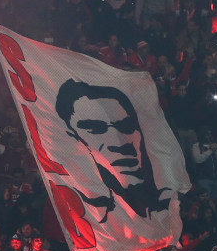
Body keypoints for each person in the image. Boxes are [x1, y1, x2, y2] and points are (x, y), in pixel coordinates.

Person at [54, 79, 174, 220]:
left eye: (126, 126)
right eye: (95, 129)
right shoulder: (79, 209)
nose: (119, 142)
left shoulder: (168, 197)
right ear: (73, 138)